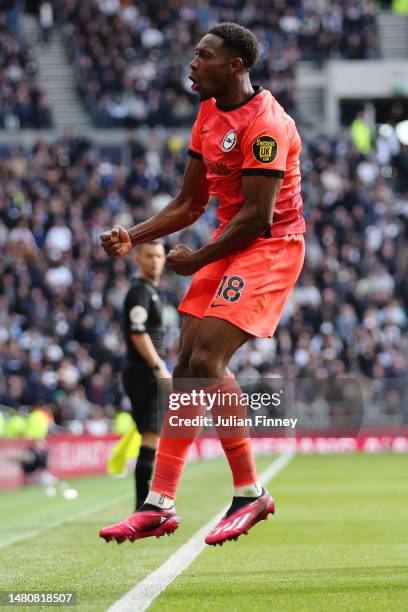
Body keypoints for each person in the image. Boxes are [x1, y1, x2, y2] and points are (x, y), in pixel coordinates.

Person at [99, 22, 305, 547]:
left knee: (208, 360)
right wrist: (134, 234)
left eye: (203, 55)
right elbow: (190, 203)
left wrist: (194, 262)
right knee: (187, 367)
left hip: (270, 244)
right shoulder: (209, 113)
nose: (192, 63)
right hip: (227, 239)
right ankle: (159, 503)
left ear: (235, 65)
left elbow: (258, 217)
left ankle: (249, 492)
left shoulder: (266, 126)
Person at [122, 240, 171, 510]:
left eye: (159, 256)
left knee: (155, 435)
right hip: (143, 372)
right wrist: (158, 366)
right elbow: (137, 332)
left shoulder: (150, 291)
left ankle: (146, 503)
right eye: (149, 256)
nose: (155, 261)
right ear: (137, 258)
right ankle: (143, 506)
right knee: (152, 435)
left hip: (146, 371)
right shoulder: (139, 291)